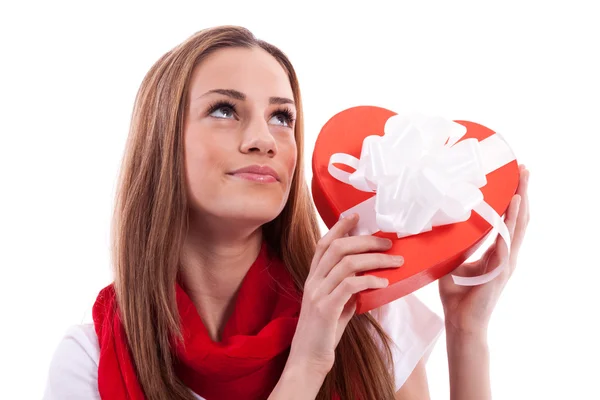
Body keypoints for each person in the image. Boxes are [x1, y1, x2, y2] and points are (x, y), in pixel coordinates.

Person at [42, 25, 530, 400]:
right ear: (161, 143)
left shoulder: (372, 314)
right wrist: (306, 365)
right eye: (225, 110)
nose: (263, 140)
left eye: (282, 117)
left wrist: (467, 332)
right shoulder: (90, 359)